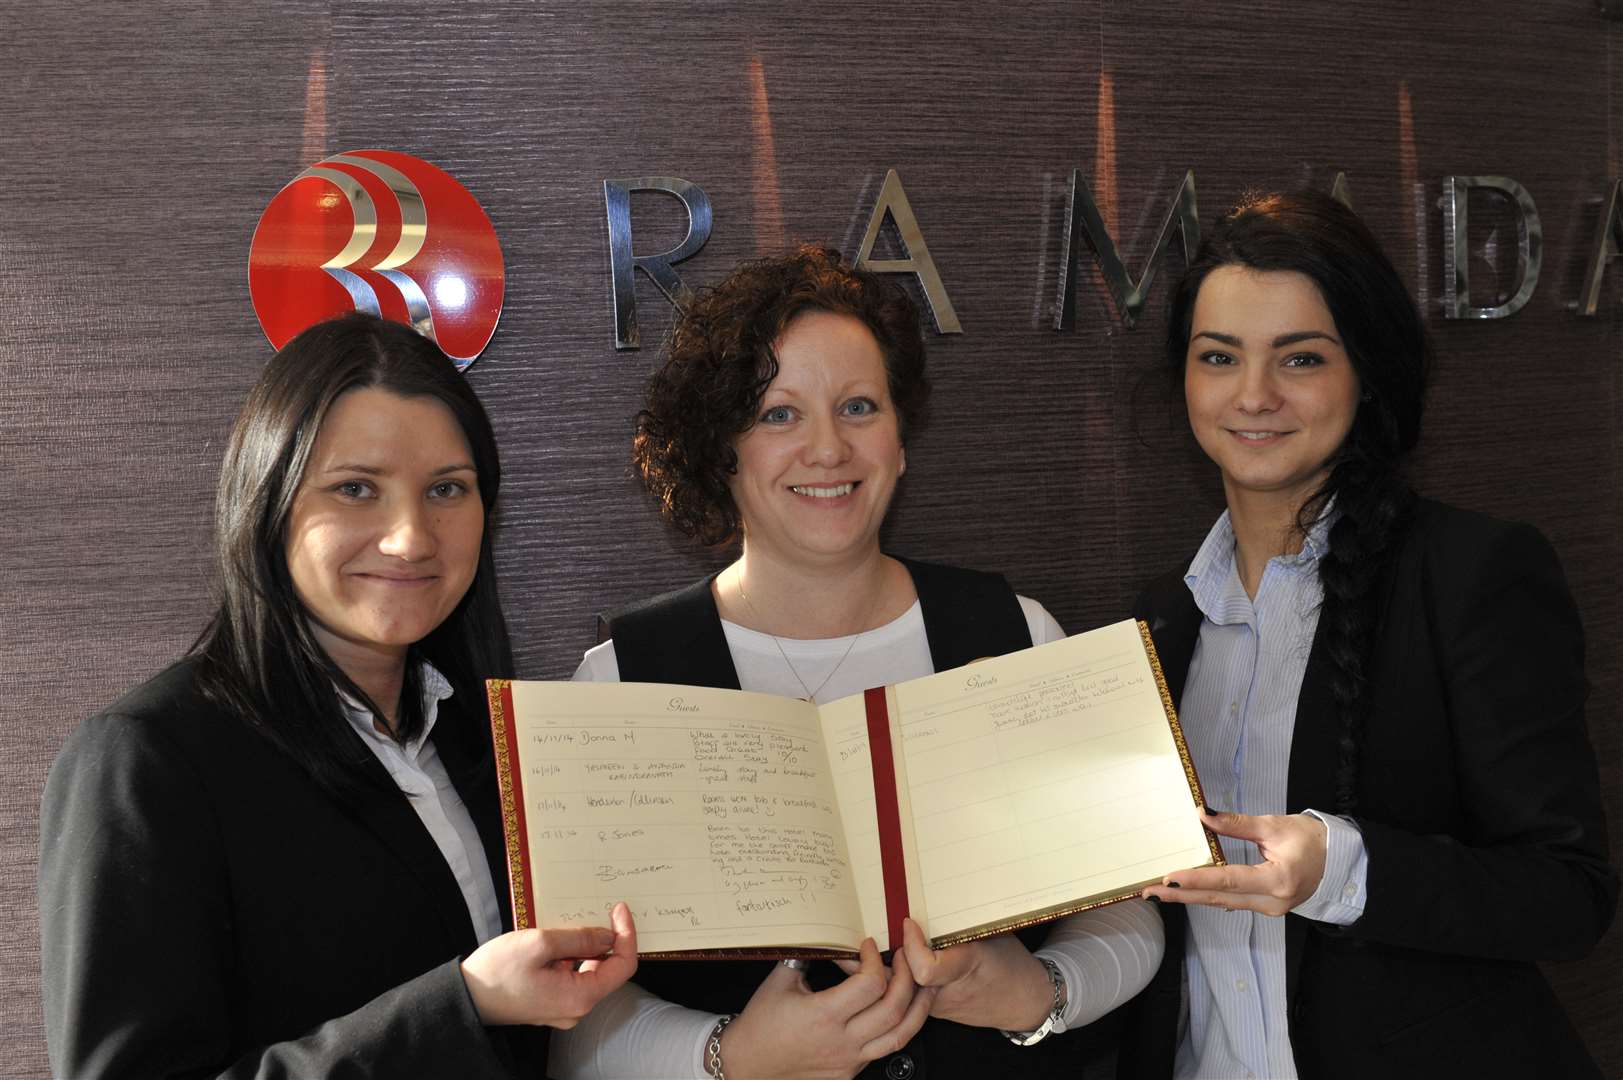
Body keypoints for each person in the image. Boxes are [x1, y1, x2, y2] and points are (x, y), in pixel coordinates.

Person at [550, 246, 1165, 1080]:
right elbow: (576, 1014)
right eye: (778, 414)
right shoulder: (621, 682)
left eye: (858, 407)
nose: (827, 448)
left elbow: (1129, 913)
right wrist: (732, 1057)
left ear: (901, 441)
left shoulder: (1015, 634)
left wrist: (1038, 993)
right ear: (719, 449)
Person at [39, 313, 637, 1078]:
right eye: (356, 489)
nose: (411, 537)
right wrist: (463, 1002)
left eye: (447, 489)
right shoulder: (146, 759)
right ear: (268, 504)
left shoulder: (482, 735)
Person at [1126, 191, 1618, 1079]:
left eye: (1301, 357)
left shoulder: (1470, 573)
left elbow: (1566, 897)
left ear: (1366, 372)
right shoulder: (1160, 620)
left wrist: (1341, 869)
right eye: (1217, 357)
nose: (1253, 396)